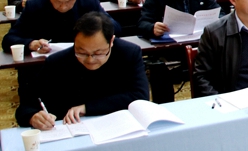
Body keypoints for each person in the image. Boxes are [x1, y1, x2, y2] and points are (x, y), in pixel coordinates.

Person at [15, 12, 149, 129]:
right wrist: (32, 116)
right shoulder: (57, 62)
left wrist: (87, 108)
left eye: (98, 53)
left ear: (111, 41)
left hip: (119, 127)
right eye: (82, 52)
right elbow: (27, 105)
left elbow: (140, 96)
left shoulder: (128, 53)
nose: (90, 60)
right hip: (71, 131)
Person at [4, 0, 121, 53]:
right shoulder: (35, 5)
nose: (63, 6)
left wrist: (98, 23)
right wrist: (31, 44)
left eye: (69, 1)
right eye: (57, 1)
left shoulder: (88, 1)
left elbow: (115, 28)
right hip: (47, 63)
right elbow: (9, 39)